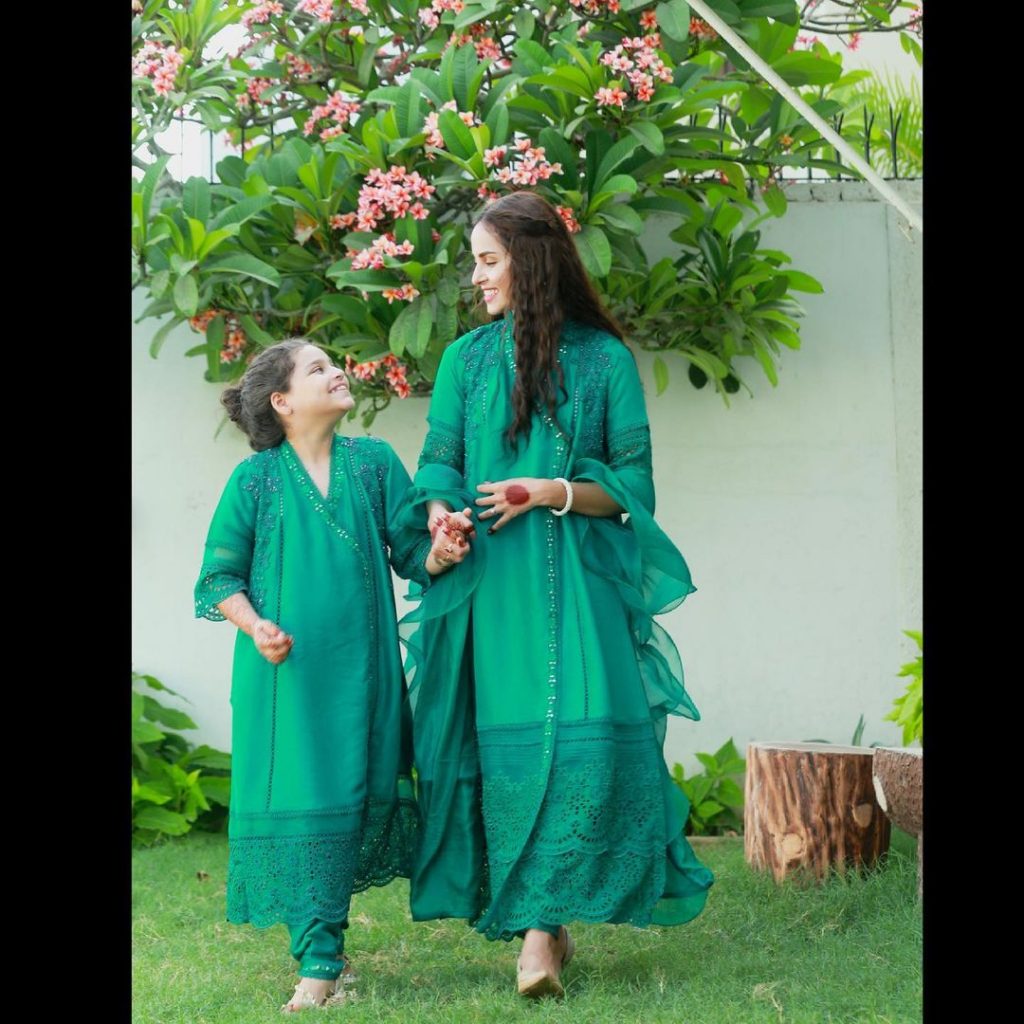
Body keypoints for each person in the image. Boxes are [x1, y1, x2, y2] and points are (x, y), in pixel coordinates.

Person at [397, 190, 715, 999]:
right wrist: (441, 518)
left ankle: (539, 934)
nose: (476, 277)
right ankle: (543, 926)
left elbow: (635, 485)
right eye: (476, 261)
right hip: (487, 590)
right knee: (502, 747)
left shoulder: (606, 362)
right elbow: (436, 462)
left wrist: (552, 490)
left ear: (531, 262)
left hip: (575, 585)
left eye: (488, 260)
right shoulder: (466, 362)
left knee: (575, 739)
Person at [193, 339, 468, 1012]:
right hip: (284, 676)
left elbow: (410, 554)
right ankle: (319, 960)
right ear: (282, 402)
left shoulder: (373, 464)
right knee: (301, 798)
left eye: (333, 362)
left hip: (365, 672)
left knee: (347, 798)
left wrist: (441, 551)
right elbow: (219, 577)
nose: (337, 371)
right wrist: (258, 627)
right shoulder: (253, 482)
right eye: (318, 368)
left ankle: (326, 955)